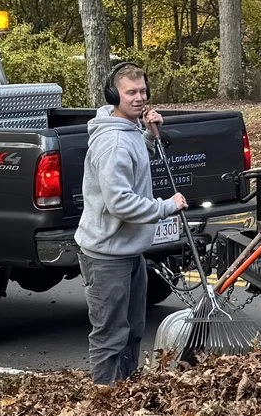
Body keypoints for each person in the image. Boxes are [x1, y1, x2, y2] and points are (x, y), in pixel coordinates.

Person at [77, 62, 186, 386]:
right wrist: (166, 206)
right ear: (114, 95)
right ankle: (104, 400)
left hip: (128, 251)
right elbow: (120, 202)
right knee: (111, 335)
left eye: (142, 91)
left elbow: (133, 164)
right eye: (130, 93)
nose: (139, 98)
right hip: (106, 254)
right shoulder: (113, 142)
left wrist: (150, 137)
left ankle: (126, 393)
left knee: (133, 330)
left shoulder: (129, 131)